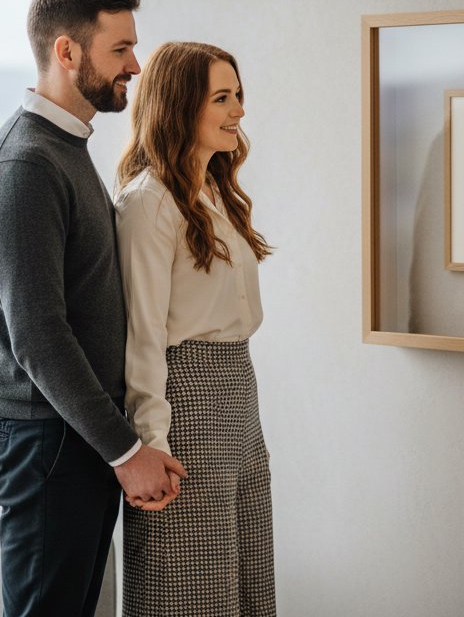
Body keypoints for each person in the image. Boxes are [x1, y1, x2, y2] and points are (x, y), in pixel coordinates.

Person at [0, 0, 186, 617]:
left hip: (71, 438)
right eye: (120, 50)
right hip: (46, 442)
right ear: (67, 52)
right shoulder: (26, 165)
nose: (136, 66)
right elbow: (37, 336)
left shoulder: (65, 147)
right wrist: (124, 449)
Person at [114, 41, 276, 615]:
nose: (238, 111)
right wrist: (149, 443)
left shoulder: (215, 192)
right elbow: (143, 336)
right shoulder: (147, 204)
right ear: (182, 106)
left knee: (249, 576)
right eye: (223, 98)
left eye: (239, 96)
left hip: (238, 393)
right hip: (188, 401)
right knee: (188, 588)